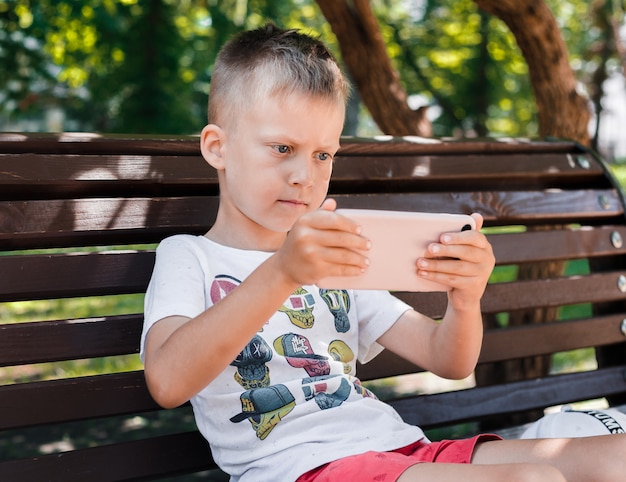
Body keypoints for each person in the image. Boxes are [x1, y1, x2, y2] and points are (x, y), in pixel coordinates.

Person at [141, 23, 626, 482]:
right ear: (217, 147)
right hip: (304, 469)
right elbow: (168, 380)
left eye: (322, 155)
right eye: (282, 147)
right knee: (535, 478)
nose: (304, 176)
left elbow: (448, 361)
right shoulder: (189, 257)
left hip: (397, 450)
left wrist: (464, 299)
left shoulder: (337, 256)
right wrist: (282, 273)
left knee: (614, 457)